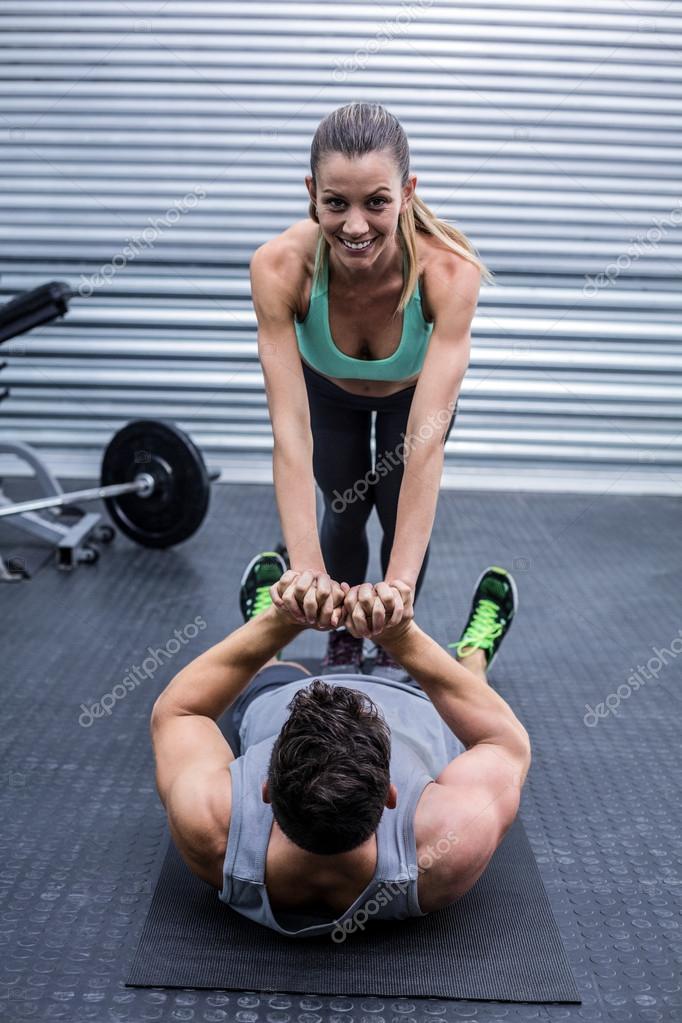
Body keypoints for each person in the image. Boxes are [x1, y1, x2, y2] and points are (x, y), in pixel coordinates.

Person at [150, 553, 530, 939]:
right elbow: (504, 741)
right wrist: (401, 638)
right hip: (422, 711)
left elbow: (179, 712)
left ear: (266, 790)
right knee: (466, 683)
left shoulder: (212, 829)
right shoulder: (446, 845)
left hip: (285, 696)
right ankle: (473, 656)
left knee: (270, 674)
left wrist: (281, 621)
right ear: (390, 795)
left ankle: (261, 628)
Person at [249, 101, 493, 677]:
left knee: (394, 506)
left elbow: (425, 443)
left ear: (407, 192)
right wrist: (306, 570)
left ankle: (387, 637)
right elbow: (290, 431)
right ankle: (340, 636)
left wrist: (398, 589)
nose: (354, 226)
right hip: (327, 395)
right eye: (336, 202)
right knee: (345, 505)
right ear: (312, 191)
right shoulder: (279, 268)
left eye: (376, 202)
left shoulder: (449, 273)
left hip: (413, 402)